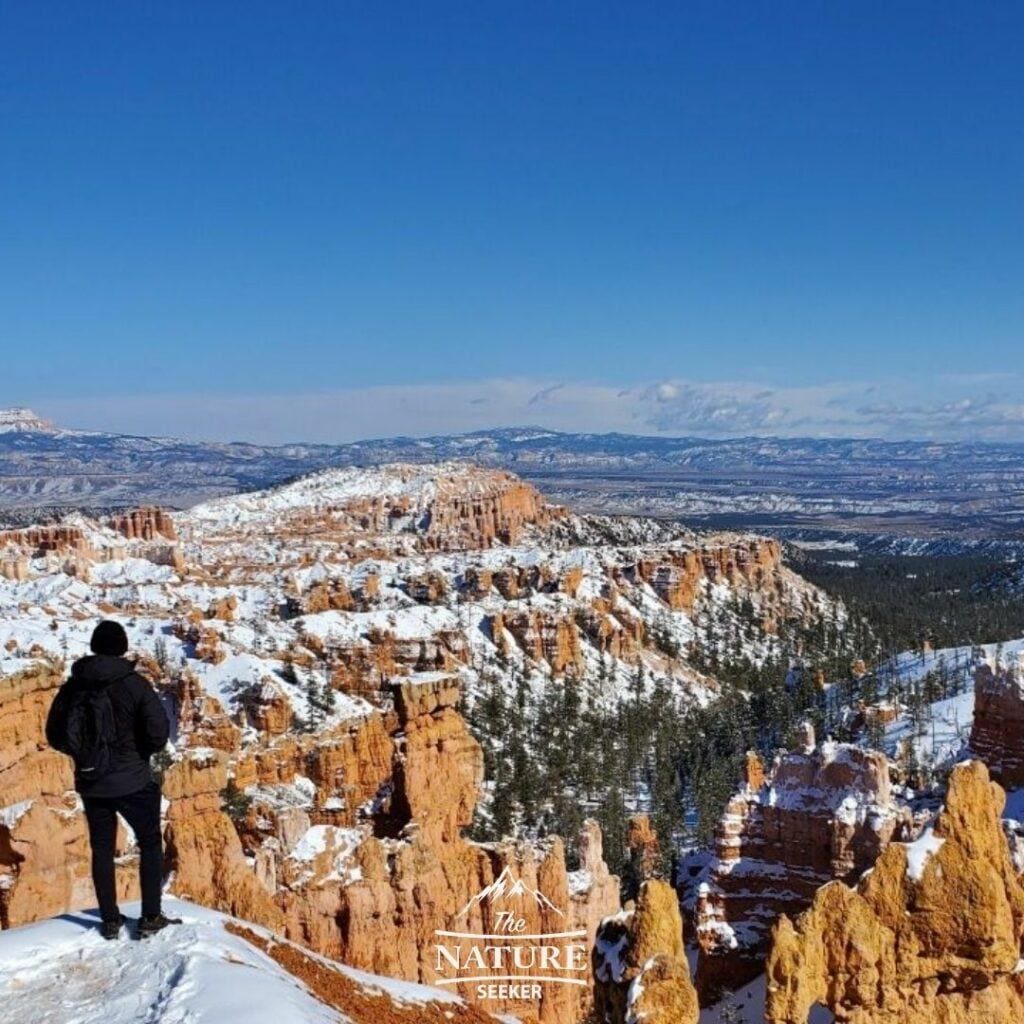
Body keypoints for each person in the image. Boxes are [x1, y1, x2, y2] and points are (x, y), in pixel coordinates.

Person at [46, 619, 178, 940]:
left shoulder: (73, 685)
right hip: (133, 780)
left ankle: (109, 920)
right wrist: (138, 754)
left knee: (102, 849)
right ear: (122, 646)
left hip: (92, 781)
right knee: (149, 843)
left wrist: (84, 756)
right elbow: (159, 733)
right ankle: (150, 916)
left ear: (94, 646)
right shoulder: (134, 684)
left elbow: (54, 734)